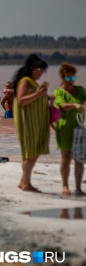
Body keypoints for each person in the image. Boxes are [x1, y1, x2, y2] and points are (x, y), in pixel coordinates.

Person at [12, 54, 50, 192]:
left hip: (35, 122)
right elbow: (21, 100)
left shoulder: (32, 82)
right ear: (31, 68)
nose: (40, 72)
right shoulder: (25, 81)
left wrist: (45, 96)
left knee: (35, 150)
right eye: (38, 69)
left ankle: (23, 181)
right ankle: (26, 184)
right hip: (29, 122)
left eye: (42, 70)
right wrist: (39, 95)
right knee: (30, 151)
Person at [52, 63, 86, 197]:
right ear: (62, 78)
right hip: (64, 128)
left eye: (73, 78)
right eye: (67, 78)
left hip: (79, 128)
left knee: (80, 159)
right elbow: (62, 106)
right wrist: (74, 104)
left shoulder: (81, 90)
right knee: (66, 158)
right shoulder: (59, 92)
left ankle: (78, 187)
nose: (71, 81)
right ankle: (65, 185)